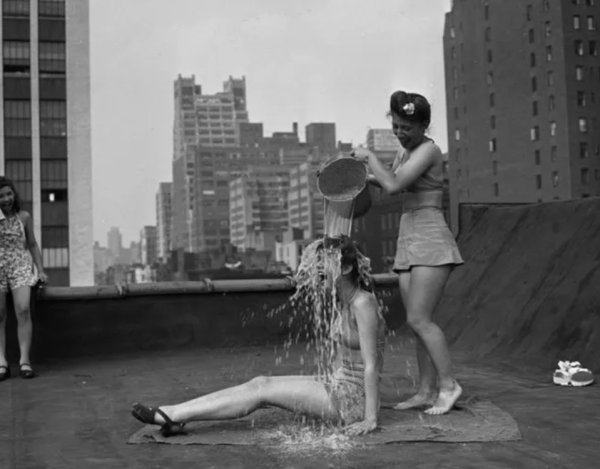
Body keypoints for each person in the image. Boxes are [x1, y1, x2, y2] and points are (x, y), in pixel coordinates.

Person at [131, 235, 386, 437]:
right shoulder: (341, 299)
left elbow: (372, 365)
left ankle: (171, 414)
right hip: (337, 384)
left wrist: (370, 418)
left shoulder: (363, 303)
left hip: (351, 400)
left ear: (347, 268)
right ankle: (178, 414)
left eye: (325, 263)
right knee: (260, 382)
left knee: (263, 389)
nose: (319, 268)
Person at [351, 91, 464, 415]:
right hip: (409, 234)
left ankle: (448, 385)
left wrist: (369, 156)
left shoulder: (429, 150)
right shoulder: (406, 152)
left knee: (420, 318)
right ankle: (426, 390)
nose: (401, 133)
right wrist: (356, 173)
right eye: (397, 126)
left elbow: (395, 185)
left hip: (430, 235)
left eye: (407, 128)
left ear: (424, 125)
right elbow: (387, 180)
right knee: (416, 323)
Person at [0, 176, 48, 381]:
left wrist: (41, 270)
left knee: (23, 308)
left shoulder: (24, 217)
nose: (6, 199)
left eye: (9, 194)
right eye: (1, 196)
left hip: (20, 266)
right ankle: (1, 362)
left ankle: (24, 361)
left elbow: (32, 244)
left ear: (14, 194)